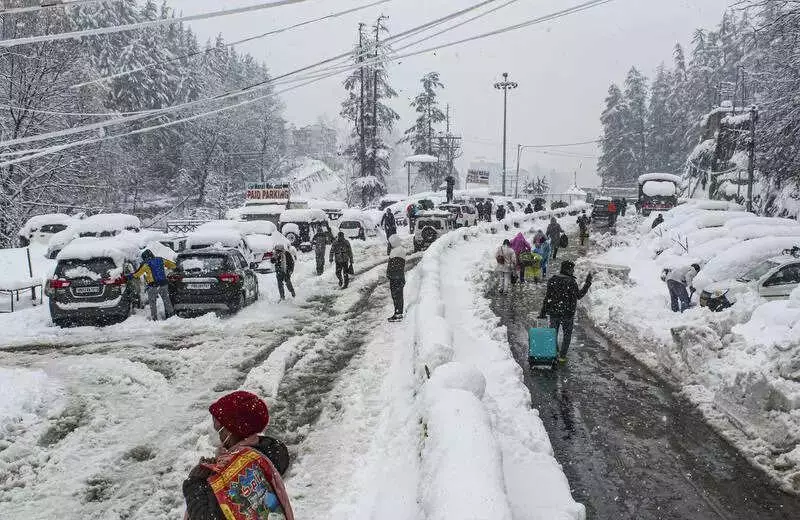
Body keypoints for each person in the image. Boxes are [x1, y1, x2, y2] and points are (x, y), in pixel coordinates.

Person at [182, 391, 293, 520]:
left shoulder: (239, 472)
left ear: (231, 431)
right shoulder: (262, 452)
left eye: (218, 426)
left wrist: (196, 483)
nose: (212, 430)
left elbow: (207, 516)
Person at [538, 260, 593, 364]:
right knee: (567, 335)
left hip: (554, 312)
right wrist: (587, 283)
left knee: (553, 333)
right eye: (572, 269)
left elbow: (547, 298)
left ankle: (554, 352)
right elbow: (579, 295)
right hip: (567, 314)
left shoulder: (552, 280)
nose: (573, 271)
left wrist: (543, 312)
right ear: (568, 269)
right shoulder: (571, 282)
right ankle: (562, 356)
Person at [128, 249, 175, 321]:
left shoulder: (146, 263)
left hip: (153, 286)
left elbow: (137, 274)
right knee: (166, 300)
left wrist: (129, 276)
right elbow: (173, 265)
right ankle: (172, 316)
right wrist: (167, 270)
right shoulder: (161, 259)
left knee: (153, 303)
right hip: (163, 284)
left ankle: (154, 319)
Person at [386, 234, 406, 321]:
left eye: (390, 243)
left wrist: (390, 274)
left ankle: (398, 314)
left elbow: (394, 266)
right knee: (397, 296)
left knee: (397, 296)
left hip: (396, 278)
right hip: (397, 277)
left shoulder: (397, 251)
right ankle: (398, 312)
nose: (389, 244)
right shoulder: (399, 249)